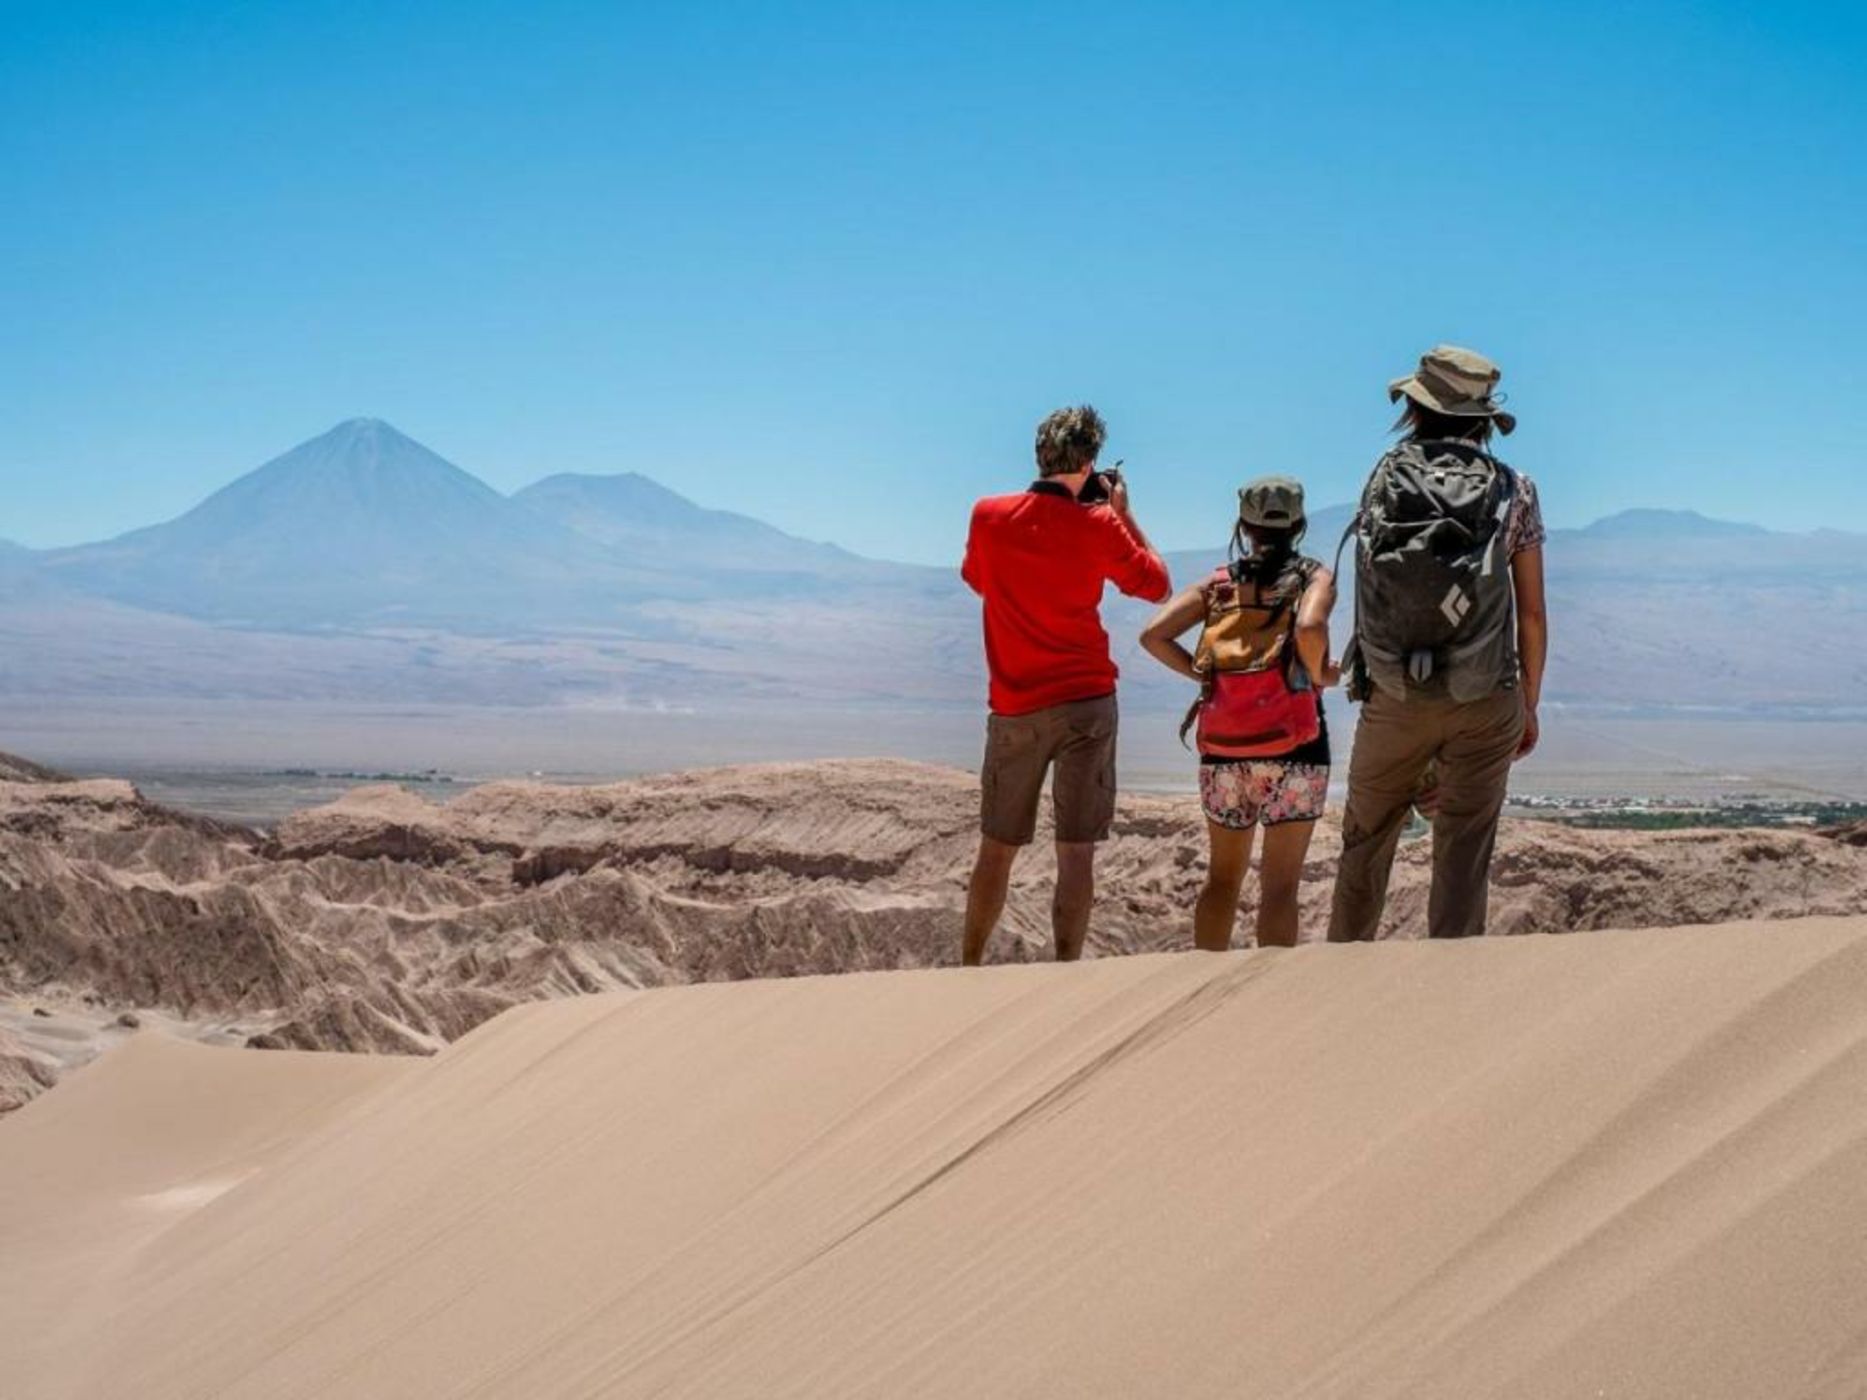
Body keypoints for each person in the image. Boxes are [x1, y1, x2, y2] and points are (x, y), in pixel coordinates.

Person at [1328, 345, 1549, 941]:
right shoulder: (1514, 488)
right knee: (1463, 853)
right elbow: (1530, 613)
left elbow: (1370, 587)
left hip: (1394, 693)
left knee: (1366, 844)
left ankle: (1334, 989)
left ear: (1416, 407)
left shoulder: (1382, 477)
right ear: (1482, 417)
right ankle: (1449, 1002)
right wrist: (1526, 703)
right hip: (1486, 694)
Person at [959, 404, 1172, 965]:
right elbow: (1157, 585)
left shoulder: (987, 515)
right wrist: (1122, 513)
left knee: (997, 848)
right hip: (1087, 704)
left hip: (1014, 706)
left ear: (1039, 454)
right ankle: (1065, 970)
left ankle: (968, 965)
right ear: (1091, 462)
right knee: (1076, 852)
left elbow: (977, 578)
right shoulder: (1099, 525)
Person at [1140, 477, 1338, 949]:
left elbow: (1153, 635)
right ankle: (1267, 999)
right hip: (1298, 748)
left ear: (1244, 525)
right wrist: (1320, 675)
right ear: (1300, 524)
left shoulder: (1219, 584)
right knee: (1280, 888)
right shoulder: (1314, 576)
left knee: (1222, 880)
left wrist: (1205, 680)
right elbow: (1310, 625)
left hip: (1225, 750)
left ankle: (1205, 986)